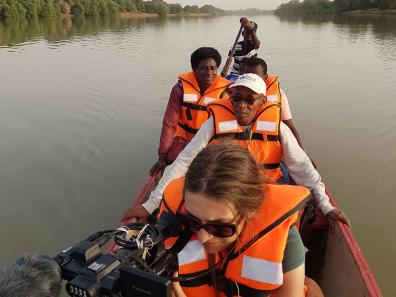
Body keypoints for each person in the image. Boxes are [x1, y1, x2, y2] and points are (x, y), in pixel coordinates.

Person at [122, 73, 351, 227]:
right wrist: (150, 204)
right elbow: (183, 162)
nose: (242, 104)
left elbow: (303, 170)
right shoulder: (213, 123)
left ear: (262, 101)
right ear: (229, 97)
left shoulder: (278, 128)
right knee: (182, 218)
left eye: (250, 99)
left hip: (264, 193)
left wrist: (326, 205)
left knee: (290, 223)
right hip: (221, 193)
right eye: (236, 97)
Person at [162, 142, 310, 297]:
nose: (202, 237)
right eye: (192, 221)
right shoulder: (172, 222)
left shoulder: (287, 245)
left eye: (220, 227)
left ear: (250, 210)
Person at [149, 47, 231, 176]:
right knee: (171, 161)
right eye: (203, 68)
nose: (209, 72)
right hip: (184, 141)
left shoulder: (225, 92)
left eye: (213, 68)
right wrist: (162, 156)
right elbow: (169, 123)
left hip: (210, 143)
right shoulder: (179, 90)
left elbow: (228, 129)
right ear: (195, 71)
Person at [243, 57, 307, 151]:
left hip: (269, 147)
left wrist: (303, 153)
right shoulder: (236, 96)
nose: (253, 80)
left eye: (257, 76)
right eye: (249, 76)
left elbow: (289, 125)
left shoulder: (279, 94)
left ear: (265, 76)